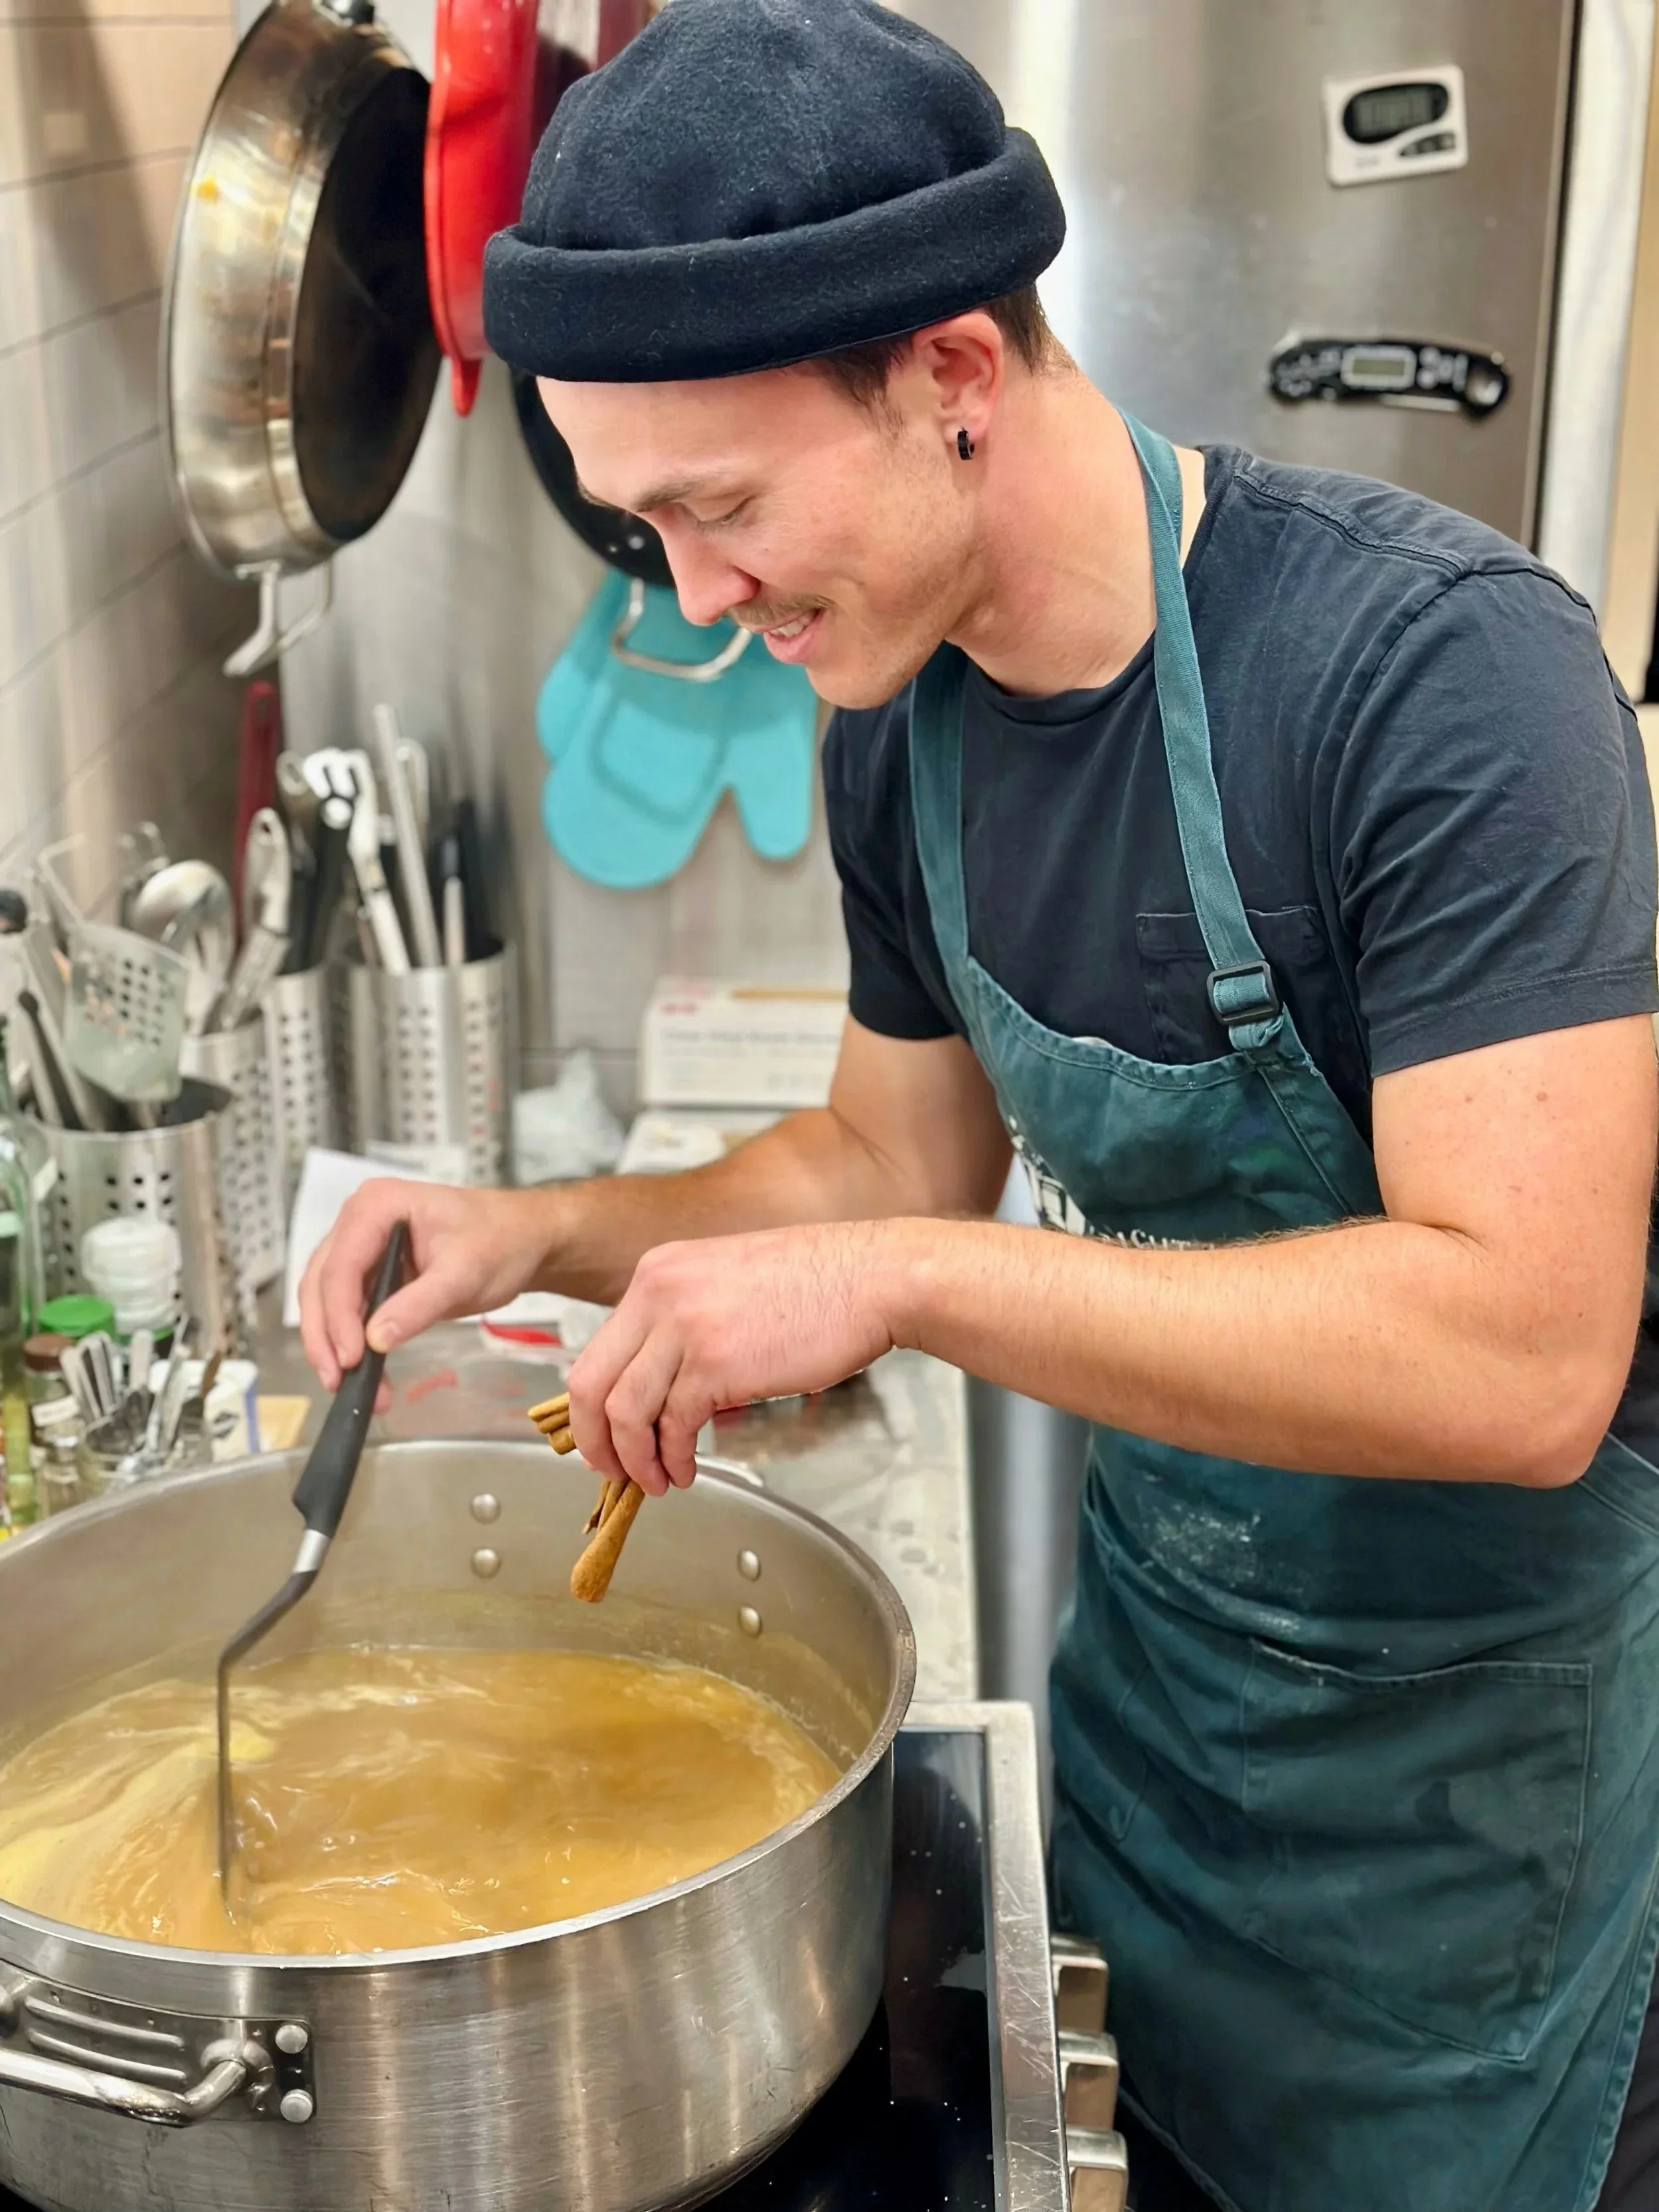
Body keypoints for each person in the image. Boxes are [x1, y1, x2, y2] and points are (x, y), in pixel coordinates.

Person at [299, 3, 1659, 2206]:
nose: (702, 599)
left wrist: (910, 1280)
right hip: (1154, 1768)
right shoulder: (900, 726)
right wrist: (533, 1229)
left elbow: (1524, 1356)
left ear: (952, 373)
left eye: (724, 509)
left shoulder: (1437, 680)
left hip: (1471, 1854)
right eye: (650, 528)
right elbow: (878, 1159)